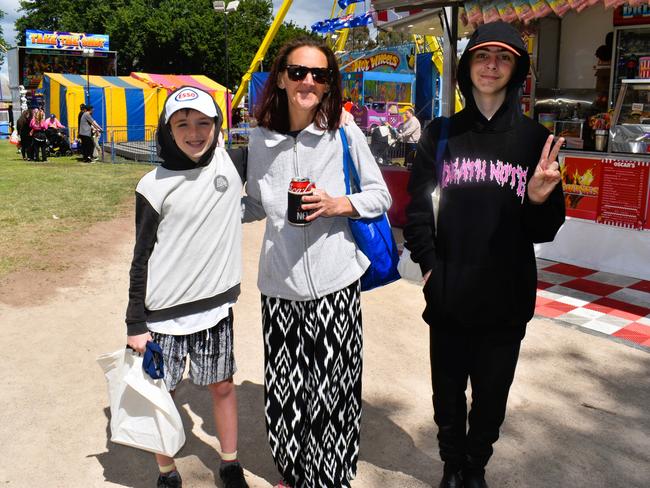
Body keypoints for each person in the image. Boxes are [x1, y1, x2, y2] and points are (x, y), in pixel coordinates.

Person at [404, 21, 565, 488]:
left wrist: (537, 199)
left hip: (507, 294)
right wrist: (430, 269)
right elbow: (417, 210)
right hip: (450, 291)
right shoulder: (441, 133)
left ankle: (476, 467)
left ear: (516, 70)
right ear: (467, 66)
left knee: (492, 395)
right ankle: (452, 465)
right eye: (482, 55)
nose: (491, 65)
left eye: (503, 57)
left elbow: (546, 228)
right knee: (447, 395)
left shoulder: (537, 142)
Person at [243, 38, 391, 488]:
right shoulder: (258, 139)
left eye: (320, 75)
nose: (308, 81)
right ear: (282, 78)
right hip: (280, 285)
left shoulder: (345, 132)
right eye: (299, 72)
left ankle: (331, 476)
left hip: (335, 283)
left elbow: (380, 195)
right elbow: (252, 204)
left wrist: (336, 203)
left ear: (329, 86)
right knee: (286, 390)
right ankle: (291, 471)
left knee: (335, 391)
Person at [125, 86, 249, 488]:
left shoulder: (231, 165)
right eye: (182, 124)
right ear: (168, 129)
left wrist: (338, 119)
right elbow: (140, 258)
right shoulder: (153, 185)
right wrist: (135, 324)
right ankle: (167, 471)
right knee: (164, 397)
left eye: (203, 122)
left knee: (223, 386)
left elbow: (280, 135)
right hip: (163, 319)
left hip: (215, 311)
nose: (194, 133)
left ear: (217, 126)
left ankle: (229, 463)